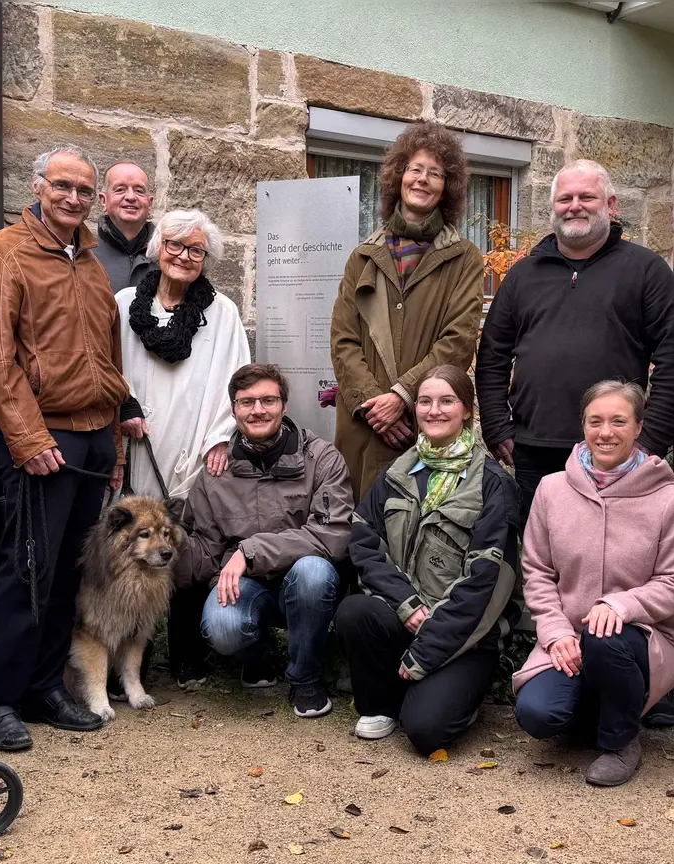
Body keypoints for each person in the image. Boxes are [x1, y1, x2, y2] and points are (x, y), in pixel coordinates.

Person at [0, 145, 131, 749]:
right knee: (26, 568)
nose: (73, 198)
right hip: (46, 435)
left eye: (84, 190)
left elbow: (109, 360)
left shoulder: (89, 261)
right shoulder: (4, 253)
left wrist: (112, 438)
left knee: (69, 569)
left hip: (92, 437)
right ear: (38, 186)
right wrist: (29, 438)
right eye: (62, 186)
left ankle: (44, 687)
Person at [476, 161, 674, 526]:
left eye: (586, 197)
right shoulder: (522, 276)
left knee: (616, 560)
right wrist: (497, 427)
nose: (574, 205)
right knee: (541, 558)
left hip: (617, 451)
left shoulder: (646, 271)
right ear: (553, 208)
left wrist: (650, 440)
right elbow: (492, 355)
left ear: (611, 205)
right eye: (565, 198)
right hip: (535, 449)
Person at [513, 382, 674, 787]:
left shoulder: (669, 500)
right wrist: (556, 631)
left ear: (638, 428)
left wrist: (620, 605)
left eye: (619, 421)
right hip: (569, 641)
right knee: (539, 715)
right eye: (595, 421)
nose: (606, 432)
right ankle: (607, 706)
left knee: (604, 636)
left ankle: (621, 740)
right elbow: (538, 571)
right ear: (583, 426)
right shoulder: (552, 490)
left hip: (641, 638)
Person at [335, 364, 519, 755]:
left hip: (464, 634)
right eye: (424, 401)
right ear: (413, 408)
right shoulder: (395, 473)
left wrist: (427, 650)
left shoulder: (493, 484)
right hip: (406, 615)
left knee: (425, 734)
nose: (434, 411)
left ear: (467, 410)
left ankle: (444, 694)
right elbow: (365, 544)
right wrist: (407, 605)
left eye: (447, 401)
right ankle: (380, 705)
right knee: (355, 611)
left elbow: (486, 582)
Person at [115, 208, 250, 685]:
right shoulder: (125, 303)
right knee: (139, 546)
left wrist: (219, 435)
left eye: (196, 249)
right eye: (174, 245)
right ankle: (135, 657)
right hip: (139, 442)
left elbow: (234, 377)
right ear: (157, 249)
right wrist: (122, 411)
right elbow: (108, 368)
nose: (184, 256)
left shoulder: (222, 311)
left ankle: (188, 655)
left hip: (196, 441)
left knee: (188, 548)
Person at [175, 364, 355, 718]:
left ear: (284, 406)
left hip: (304, 587)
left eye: (268, 400)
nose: (258, 410)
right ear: (234, 410)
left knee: (314, 573)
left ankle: (306, 675)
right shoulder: (216, 473)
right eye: (247, 402)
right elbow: (207, 551)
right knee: (223, 627)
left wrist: (249, 551)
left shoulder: (322, 458)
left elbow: (331, 535)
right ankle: (258, 657)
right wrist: (168, 546)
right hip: (246, 587)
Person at [330, 122, 486, 499]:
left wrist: (402, 397)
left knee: (418, 532)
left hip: (426, 422)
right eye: (415, 169)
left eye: (435, 173)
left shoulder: (463, 257)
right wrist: (374, 405)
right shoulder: (363, 256)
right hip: (363, 425)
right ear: (399, 177)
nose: (423, 180)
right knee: (355, 530)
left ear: (447, 188)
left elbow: (459, 340)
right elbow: (343, 339)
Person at [96, 161, 155, 294]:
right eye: (120, 189)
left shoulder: (166, 256)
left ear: (150, 203)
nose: (130, 197)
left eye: (139, 190)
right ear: (103, 200)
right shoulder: (84, 254)